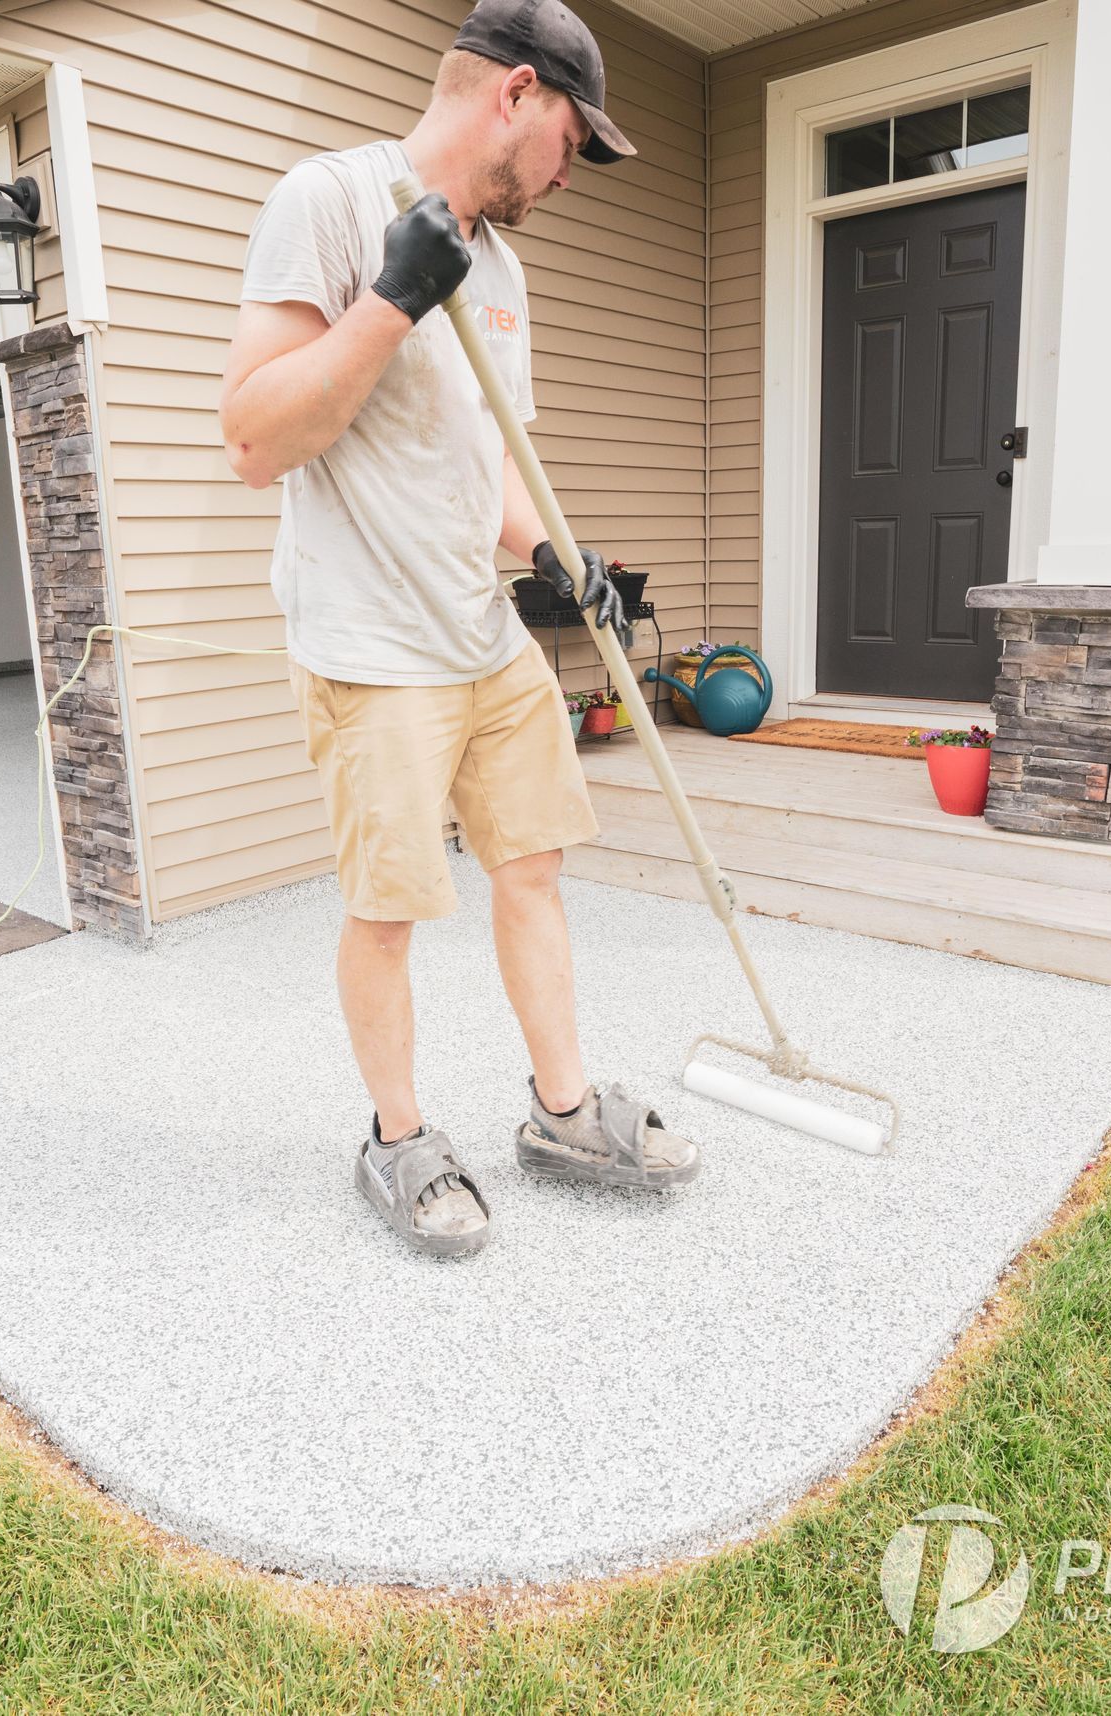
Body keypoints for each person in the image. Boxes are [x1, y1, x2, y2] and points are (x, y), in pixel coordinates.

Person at [224, 0, 702, 1257]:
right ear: (516, 95)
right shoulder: (327, 203)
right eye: (571, 142)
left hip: (481, 634)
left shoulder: (500, 265)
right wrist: (389, 300)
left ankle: (560, 1112)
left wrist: (552, 552)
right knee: (388, 910)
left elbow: (484, 458)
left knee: (533, 864)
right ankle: (398, 1140)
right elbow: (254, 438)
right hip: (373, 649)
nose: (569, 172)